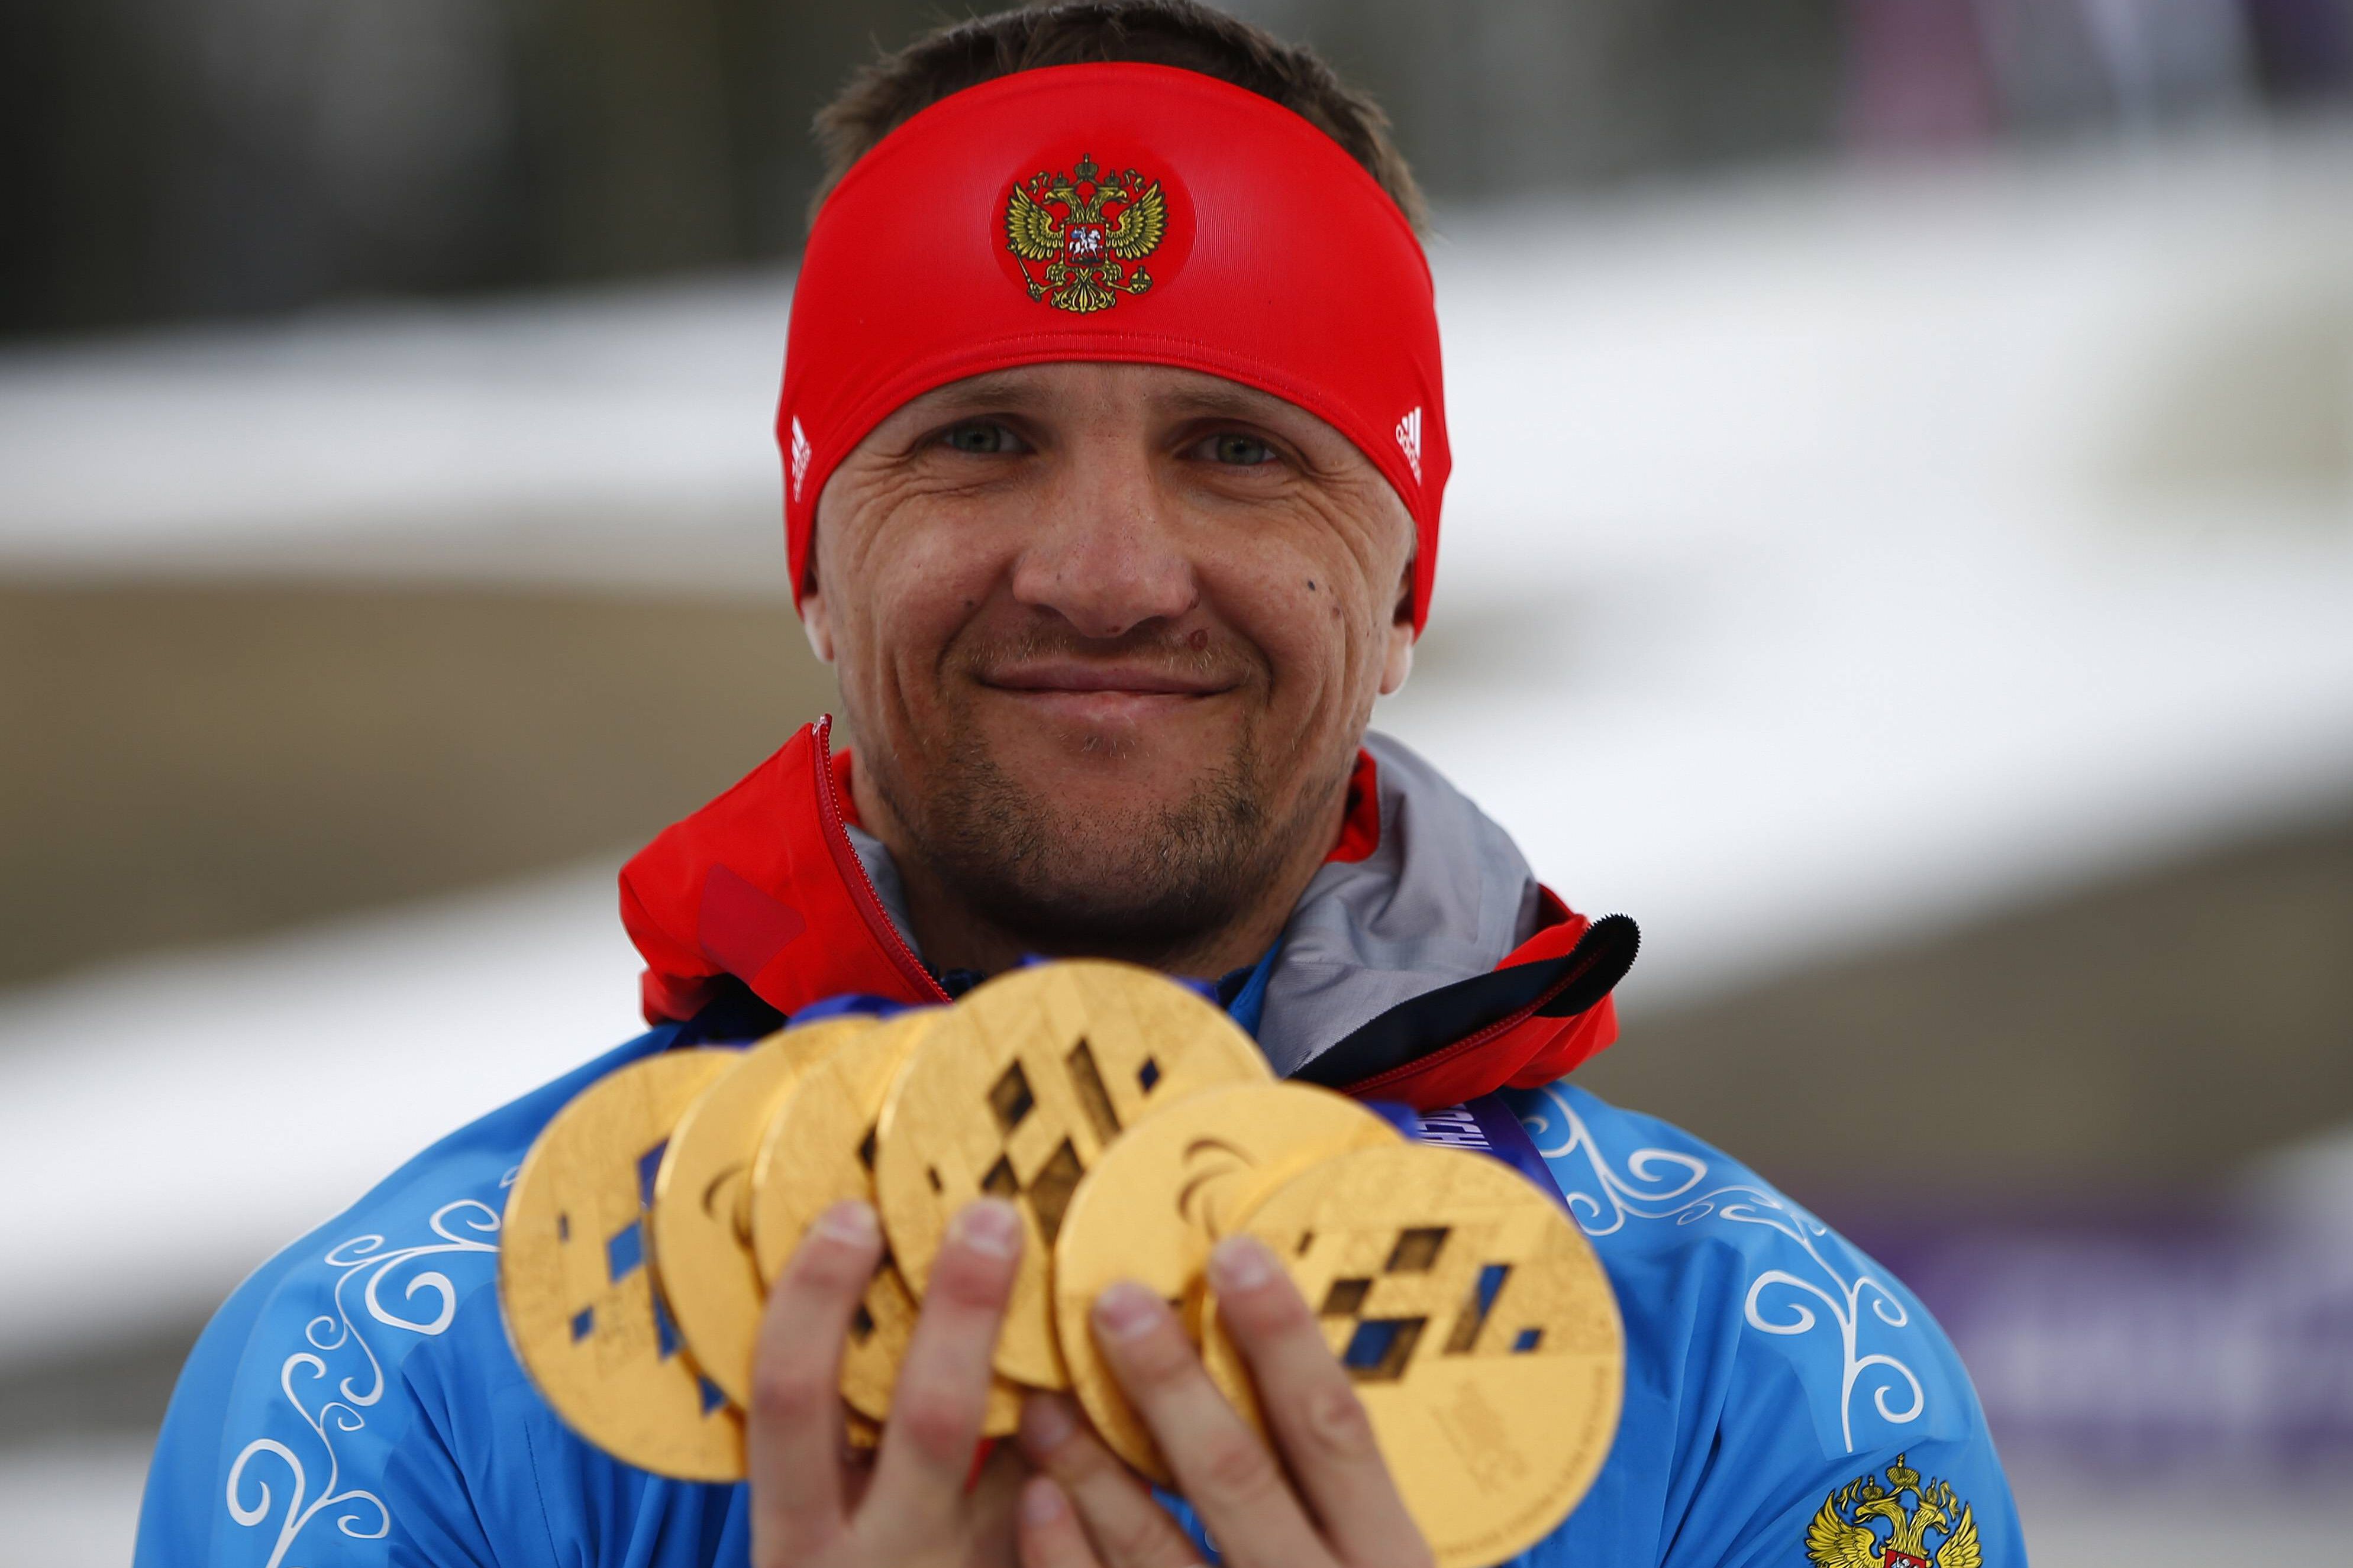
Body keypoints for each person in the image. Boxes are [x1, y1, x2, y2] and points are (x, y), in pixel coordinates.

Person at [137, 5, 2025, 1566]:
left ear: (1403, 586)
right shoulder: (404, 1380)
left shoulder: (1761, 1385)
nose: (1105, 570)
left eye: (1234, 448)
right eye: (978, 436)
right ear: (814, 550)